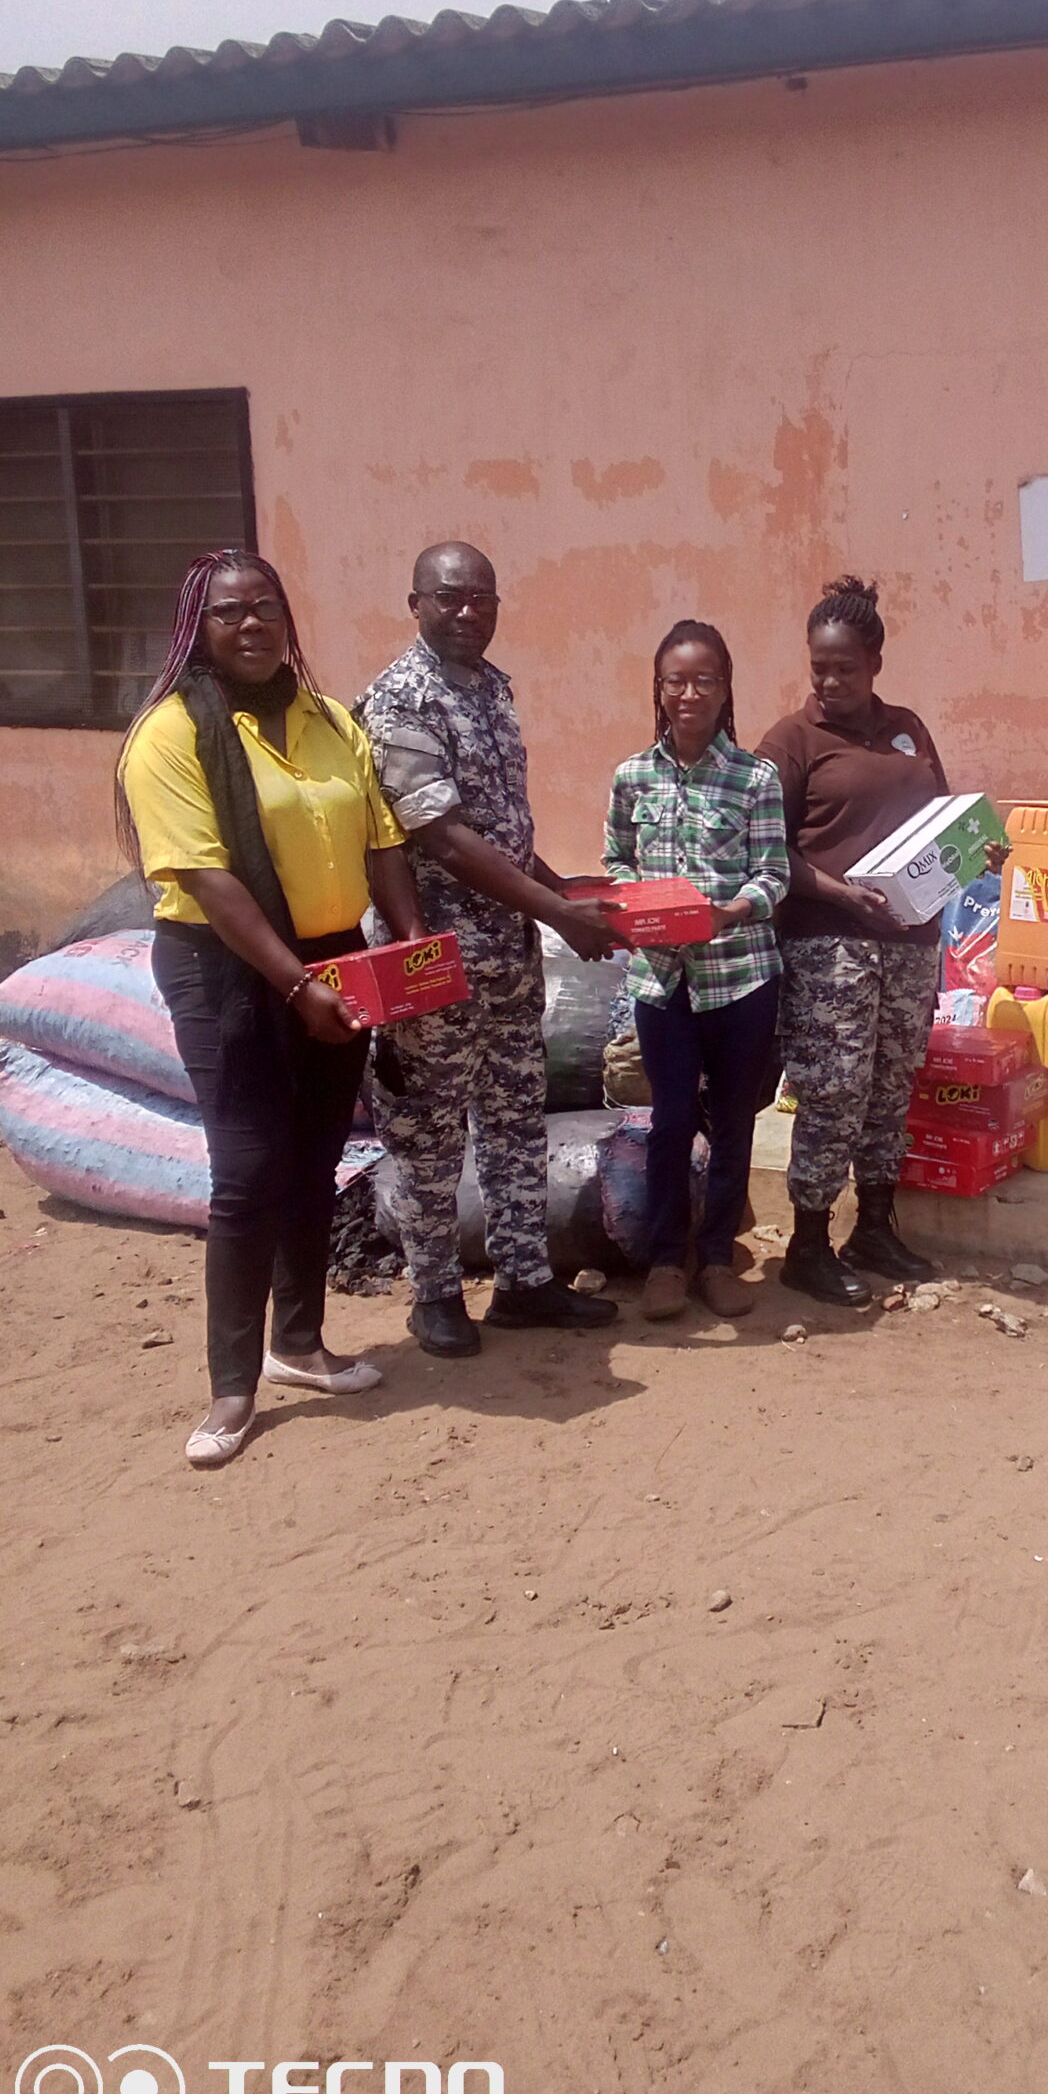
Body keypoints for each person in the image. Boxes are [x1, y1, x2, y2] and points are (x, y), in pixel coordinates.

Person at [116, 550, 424, 1468]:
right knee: (249, 1171)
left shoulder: (331, 721)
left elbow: (381, 839)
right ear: (197, 629)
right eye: (229, 612)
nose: (251, 625)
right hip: (226, 968)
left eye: (266, 608)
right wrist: (297, 986)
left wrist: (407, 947)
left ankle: (300, 1343)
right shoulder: (169, 735)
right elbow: (209, 878)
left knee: (316, 1156)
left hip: (335, 960)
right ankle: (231, 1385)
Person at [355, 542, 623, 1358]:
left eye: (483, 598)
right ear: (416, 604)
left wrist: (561, 891)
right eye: (451, 597)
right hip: (434, 960)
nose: (469, 612)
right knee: (430, 1133)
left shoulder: (493, 689)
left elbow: (501, 832)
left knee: (513, 1122)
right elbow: (441, 836)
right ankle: (434, 1294)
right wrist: (559, 913)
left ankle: (524, 1282)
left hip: (506, 956)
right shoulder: (401, 700)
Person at [757, 575, 951, 1306]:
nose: (830, 682)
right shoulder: (791, 741)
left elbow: (942, 820)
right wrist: (842, 893)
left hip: (910, 940)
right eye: (820, 668)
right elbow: (765, 849)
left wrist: (976, 853)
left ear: (875, 663)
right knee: (833, 1091)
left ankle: (873, 1228)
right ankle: (808, 1245)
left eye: (845, 668)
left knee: (890, 1086)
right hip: (830, 944)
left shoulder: (908, 728)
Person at [603, 621, 788, 1322]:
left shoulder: (755, 778)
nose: (689, 694)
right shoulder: (633, 777)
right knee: (670, 1118)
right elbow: (616, 860)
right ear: (658, 689)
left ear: (725, 688)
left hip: (740, 976)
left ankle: (716, 1258)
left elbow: (774, 874)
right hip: (662, 980)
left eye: (704, 680)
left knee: (734, 1119)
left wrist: (729, 911)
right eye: (675, 681)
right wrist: (637, 903)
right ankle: (664, 1262)